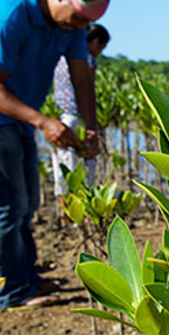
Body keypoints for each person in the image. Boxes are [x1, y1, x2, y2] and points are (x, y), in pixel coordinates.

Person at [0, 0, 111, 309]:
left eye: (85, 24)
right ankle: (10, 292)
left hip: (21, 116)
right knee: (7, 205)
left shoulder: (71, 22)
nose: (81, 29)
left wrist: (92, 127)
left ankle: (26, 277)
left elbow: (83, 81)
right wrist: (44, 122)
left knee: (29, 202)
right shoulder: (8, 16)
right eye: (78, 20)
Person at [50, 22, 110, 202]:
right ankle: (80, 215)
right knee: (83, 167)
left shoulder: (62, 56)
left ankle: (65, 214)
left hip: (58, 119)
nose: (100, 52)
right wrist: (93, 127)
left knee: (62, 167)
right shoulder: (85, 58)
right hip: (76, 118)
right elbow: (87, 91)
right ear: (96, 41)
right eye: (102, 47)